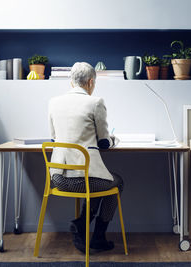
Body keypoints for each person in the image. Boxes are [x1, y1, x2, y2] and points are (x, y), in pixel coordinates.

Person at [48, 62, 124, 253]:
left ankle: (82, 224)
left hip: (57, 178)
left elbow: (53, 138)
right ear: (91, 82)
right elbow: (104, 143)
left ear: (72, 82)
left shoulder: (54, 102)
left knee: (100, 179)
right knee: (117, 182)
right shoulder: (95, 102)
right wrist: (114, 139)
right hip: (84, 181)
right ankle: (95, 234)